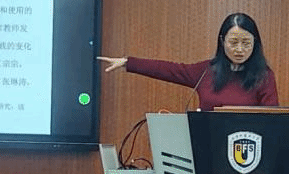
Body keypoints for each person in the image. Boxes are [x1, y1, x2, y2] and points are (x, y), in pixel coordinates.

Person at [97, 12, 279, 111]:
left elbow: (274, 121)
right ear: (222, 41)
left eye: (246, 43)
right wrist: (128, 63)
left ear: (255, 43)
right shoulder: (206, 71)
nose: (239, 49)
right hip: (206, 151)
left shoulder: (264, 76)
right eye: (233, 42)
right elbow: (169, 70)